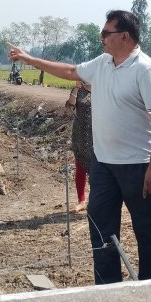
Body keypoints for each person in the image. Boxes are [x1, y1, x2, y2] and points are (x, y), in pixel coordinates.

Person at [8, 10, 151, 284]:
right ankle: (107, 287)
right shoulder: (103, 63)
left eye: (106, 33)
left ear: (125, 36)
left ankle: (150, 288)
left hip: (137, 165)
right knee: (101, 229)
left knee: (145, 231)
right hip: (103, 165)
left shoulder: (145, 69)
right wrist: (28, 59)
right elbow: (70, 71)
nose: (101, 38)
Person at [65, 80, 93, 212]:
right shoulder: (78, 90)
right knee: (80, 167)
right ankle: (81, 201)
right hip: (80, 134)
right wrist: (76, 89)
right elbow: (70, 105)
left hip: (99, 135)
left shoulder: (102, 88)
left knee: (98, 169)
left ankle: (95, 200)